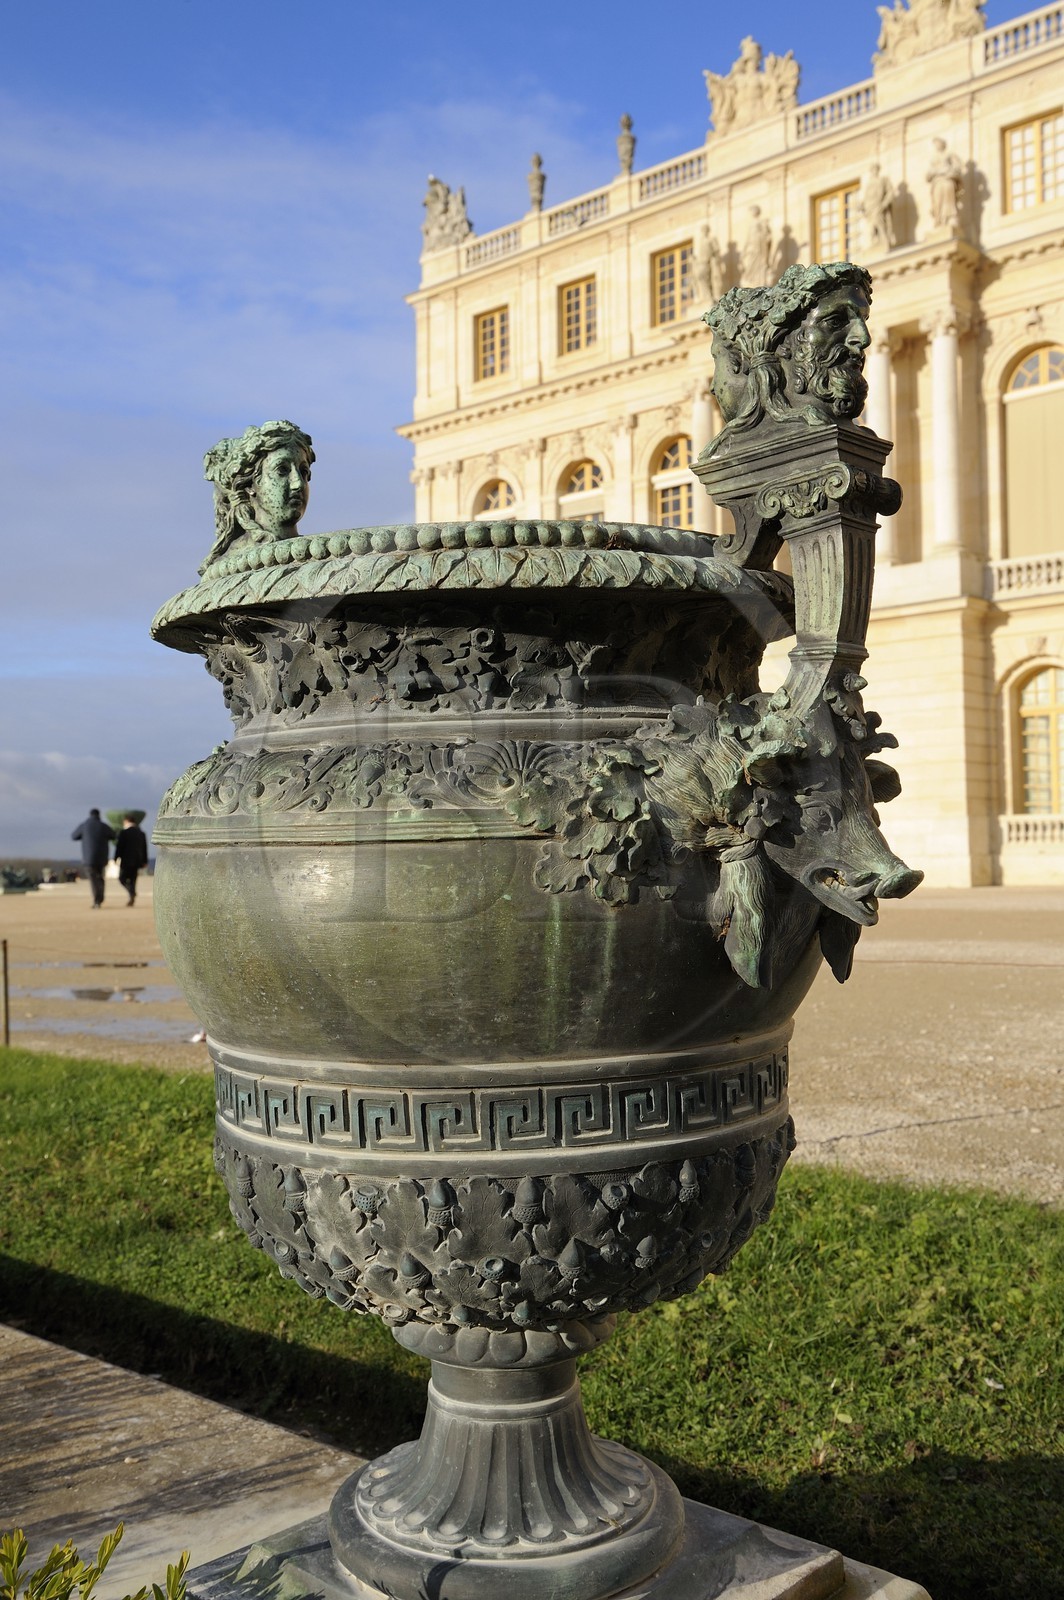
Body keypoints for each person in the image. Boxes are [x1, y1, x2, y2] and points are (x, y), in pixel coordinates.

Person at [71, 808, 115, 909]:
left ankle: (97, 900)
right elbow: (113, 835)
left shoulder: (84, 825)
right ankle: (100, 897)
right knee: (100, 877)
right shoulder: (103, 826)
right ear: (99, 815)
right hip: (102, 858)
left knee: (93, 879)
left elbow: (73, 836)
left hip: (88, 858)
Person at [114, 813, 149, 907]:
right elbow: (144, 848)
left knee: (122, 878)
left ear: (126, 821)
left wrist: (116, 858)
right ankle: (131, 896)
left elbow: (119, 847)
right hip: (137, 861)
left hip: (126, 860)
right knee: (133, 880)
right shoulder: (141, 833)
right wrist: (145, 861)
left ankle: (131, 892)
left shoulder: (124, 833)